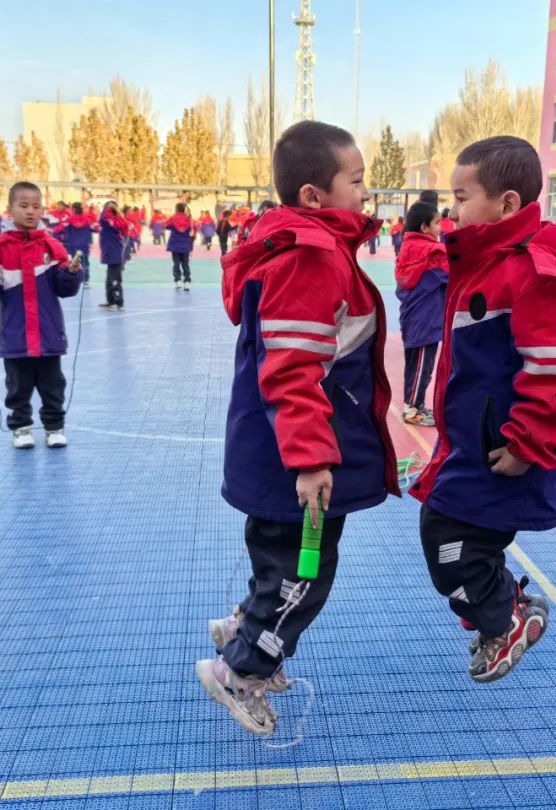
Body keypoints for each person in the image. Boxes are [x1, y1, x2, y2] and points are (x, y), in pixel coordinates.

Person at [197, 120, 399, 737]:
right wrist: (311, 459)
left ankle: (242, 628)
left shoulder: (307, 249)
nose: (366, 192)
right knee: (302, 575)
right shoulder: (309, 259)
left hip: (281, 456)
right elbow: (291, 369)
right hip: (295, 463)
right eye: (356, 181)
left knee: (280, 561)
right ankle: (242, 671)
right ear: (314, 195)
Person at [408, 136, 556, 684]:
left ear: (506, 204)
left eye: (462, 197)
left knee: (450, 544)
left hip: (504, 451)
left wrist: (527, 443)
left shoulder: (533, 270)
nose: (453, 211)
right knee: (446, 534)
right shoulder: (487, 261)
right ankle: (500, 609)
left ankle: (505, 618)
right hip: (474, 444)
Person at [0, 182, 83, 449]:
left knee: (53, 385)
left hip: (48, 333)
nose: (30, 211)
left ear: (42, 210)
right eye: (23, 206)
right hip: (15, 334)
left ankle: (54, 427)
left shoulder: (52, 246)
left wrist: (71, 273)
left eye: (35, 206)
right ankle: (21, 428)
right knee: (17, 387)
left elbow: (65, 290)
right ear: (10, 209)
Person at [395, 200, 448, 426]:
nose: (440, 228)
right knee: (422, 368)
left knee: (414, 365)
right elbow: (453, 274)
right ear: (424, 228)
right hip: (426, 319)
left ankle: (415, 404)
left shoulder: (407, 248)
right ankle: (412, 409)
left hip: (412, 318)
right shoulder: (433, 252)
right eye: (436, 223)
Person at [56, 202, 97, 287]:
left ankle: (73, 281)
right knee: (85, 264)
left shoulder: (69, 219)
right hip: (84, 246)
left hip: (72, 246)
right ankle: (86, 281)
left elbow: (60, 228)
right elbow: (95, 228)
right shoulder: (88, 219)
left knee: (72, 264)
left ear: (74, 209)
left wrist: (51, 231)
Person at [98, 201, 128, 310]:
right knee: (109, 280)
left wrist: (108, 208)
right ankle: (110, 301)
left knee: (115, 280)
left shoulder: (115, 221)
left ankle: (118, 302)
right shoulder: (112, 221)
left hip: (114, 253)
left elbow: (102, 219)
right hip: (110, 253)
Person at [166, 203, 195, 291]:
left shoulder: (173, 218)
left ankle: (178, 280)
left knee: (176, 263)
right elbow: (194, 229)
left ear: (176, 209)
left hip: (175, 244)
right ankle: (187, 282)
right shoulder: (189, 219)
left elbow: (166, 225)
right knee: (185, 264)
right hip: (185, 245)